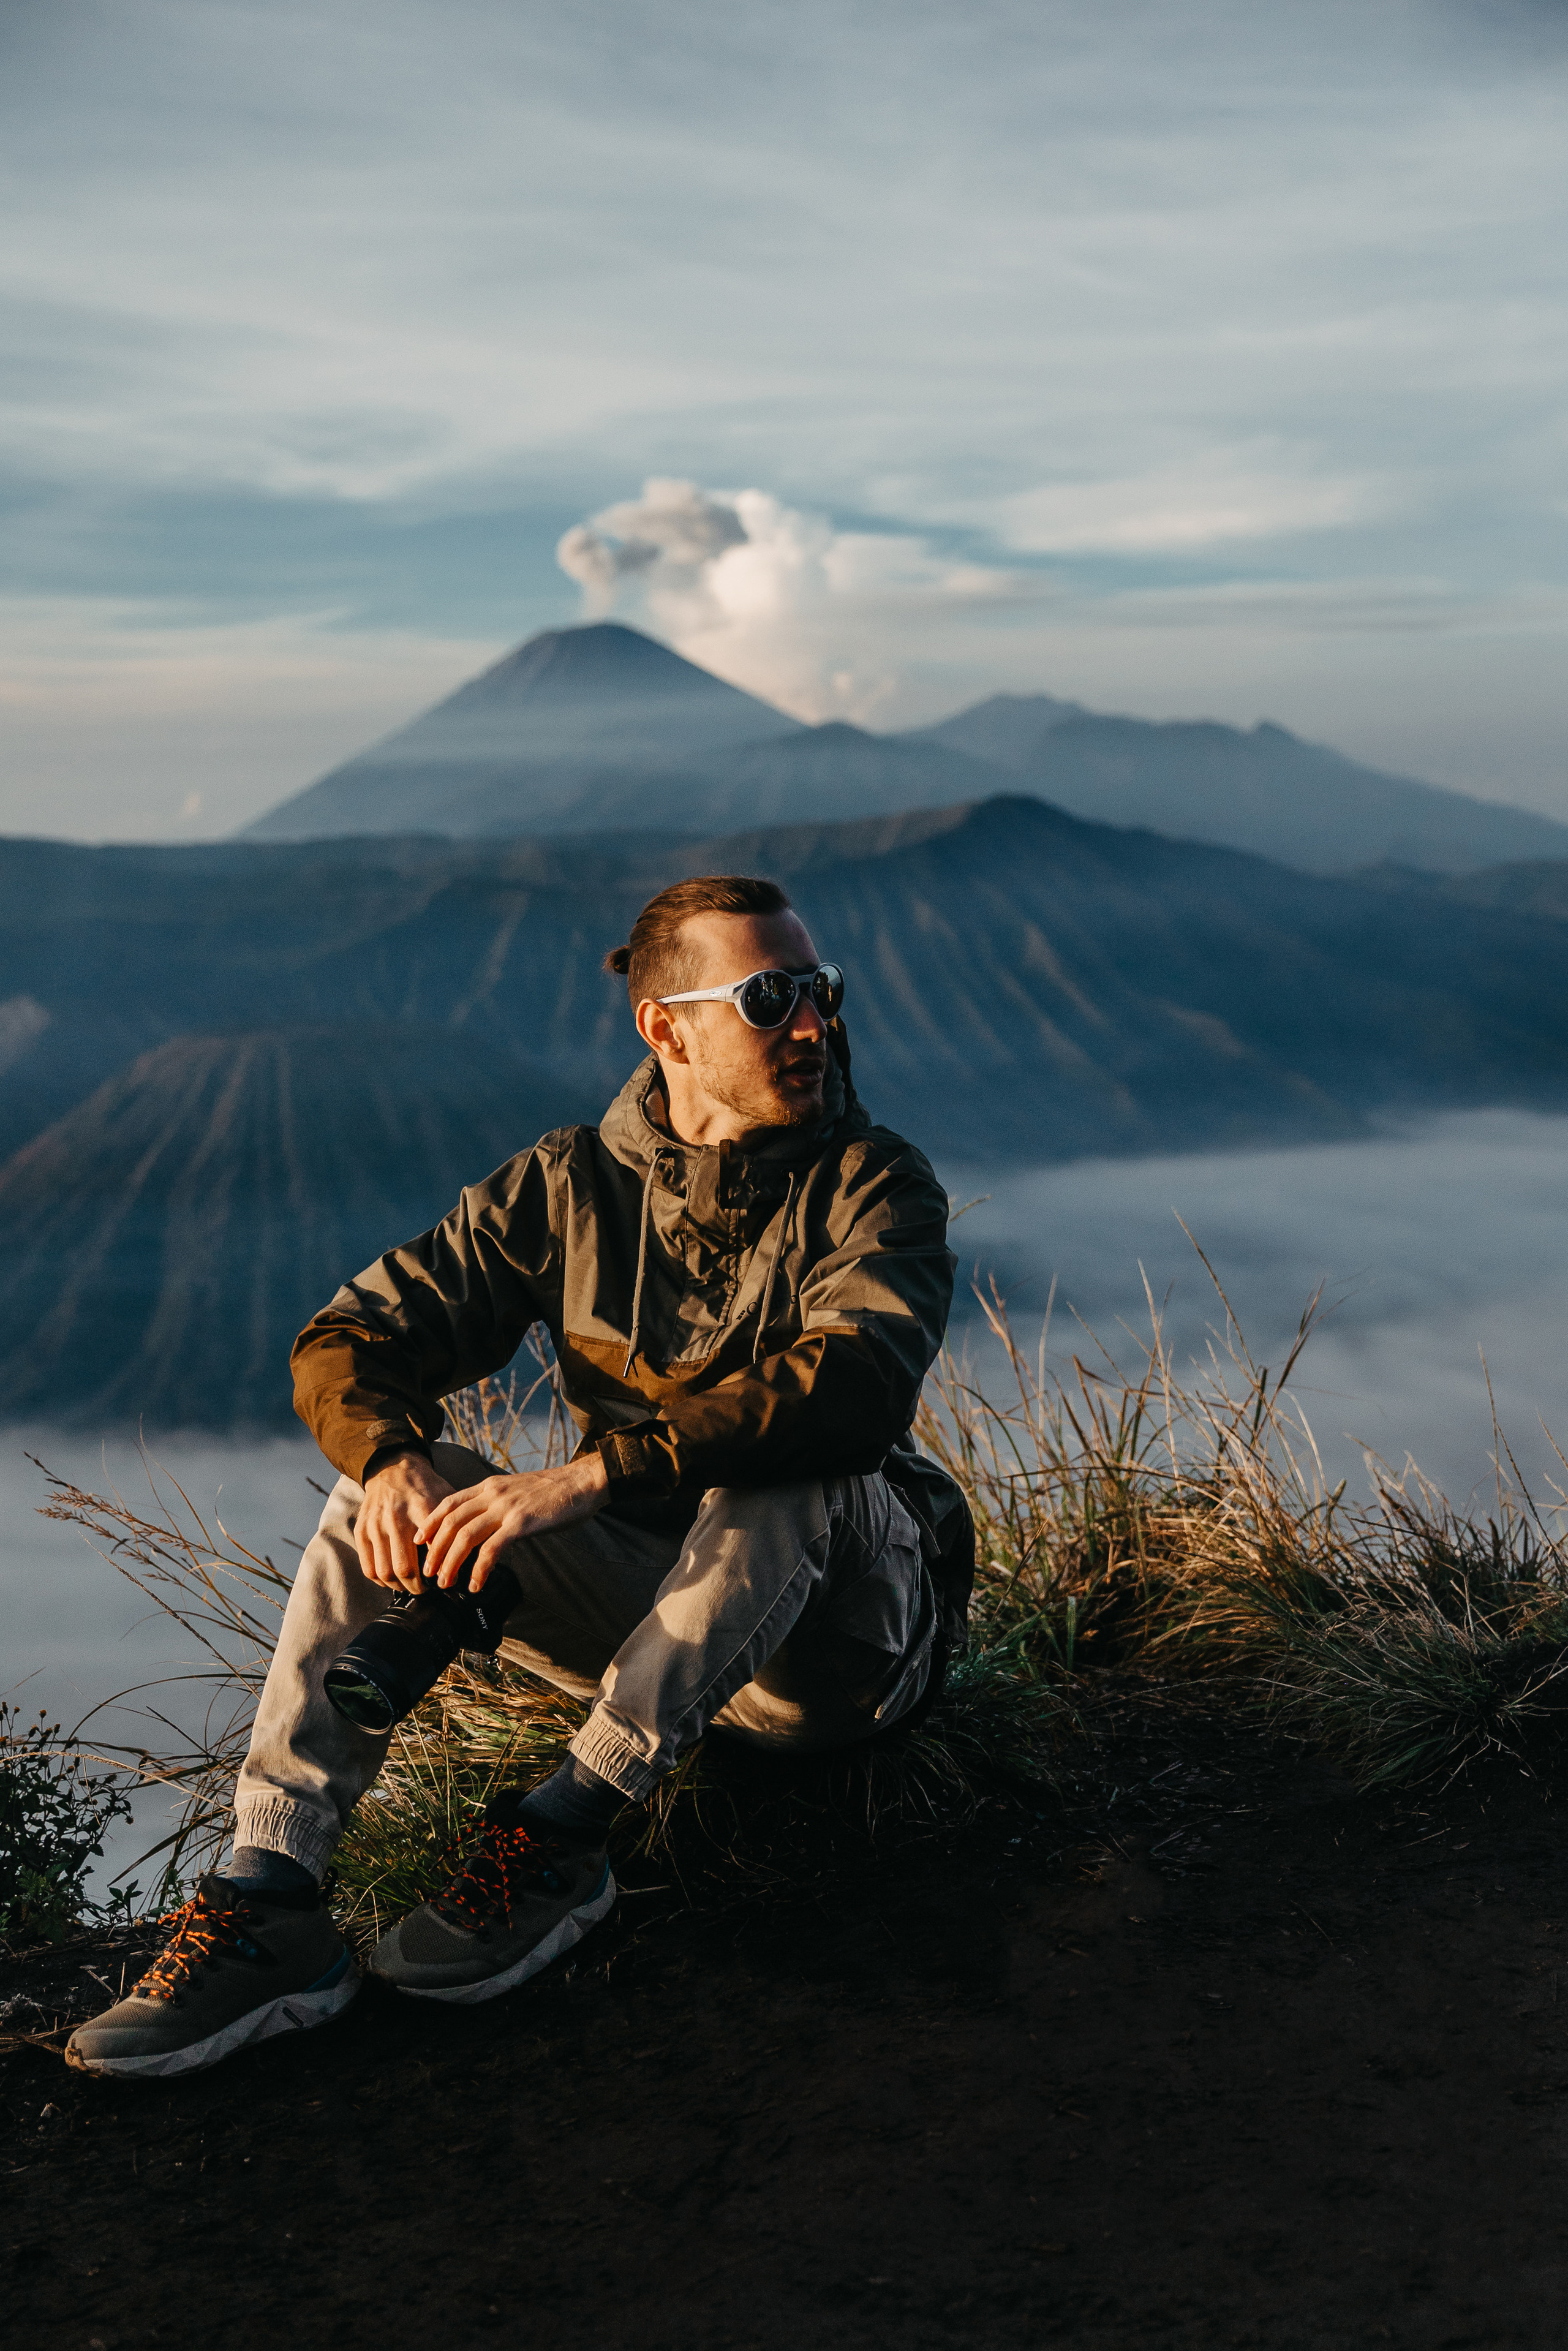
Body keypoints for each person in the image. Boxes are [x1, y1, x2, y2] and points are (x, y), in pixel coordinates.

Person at [68, 874, 963, 2078]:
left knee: (789, 1470)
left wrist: (593, 1474)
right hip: (661, 1612)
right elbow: (351, 1338)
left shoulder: (874, 1185)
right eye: (769, 996)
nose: (813, 1023)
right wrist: (388, 1461)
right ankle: (271, 1888)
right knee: (399, 1481)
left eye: (819, 990)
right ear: (667, 1027)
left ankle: (561, 1830)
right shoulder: (566, 1188)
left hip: (837, 1649)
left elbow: (851, 1391)